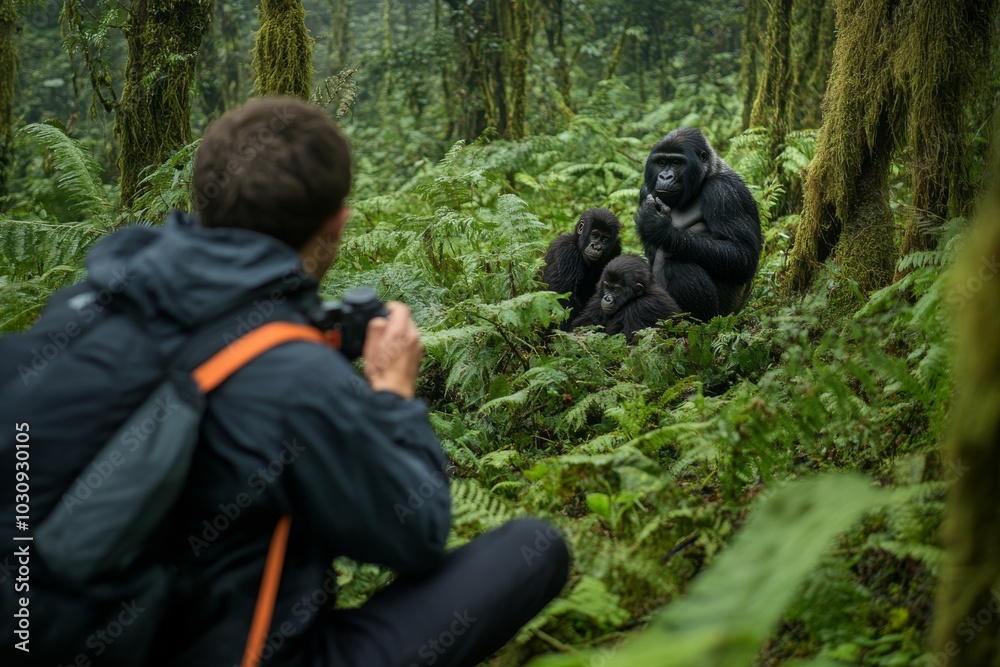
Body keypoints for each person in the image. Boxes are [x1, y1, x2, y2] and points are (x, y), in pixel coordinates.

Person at [97, 97, 570, 666]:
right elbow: (416, 532)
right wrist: (392, 395)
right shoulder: (292, 376)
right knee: (533, 548)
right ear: (337, 225)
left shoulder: (89, 311)